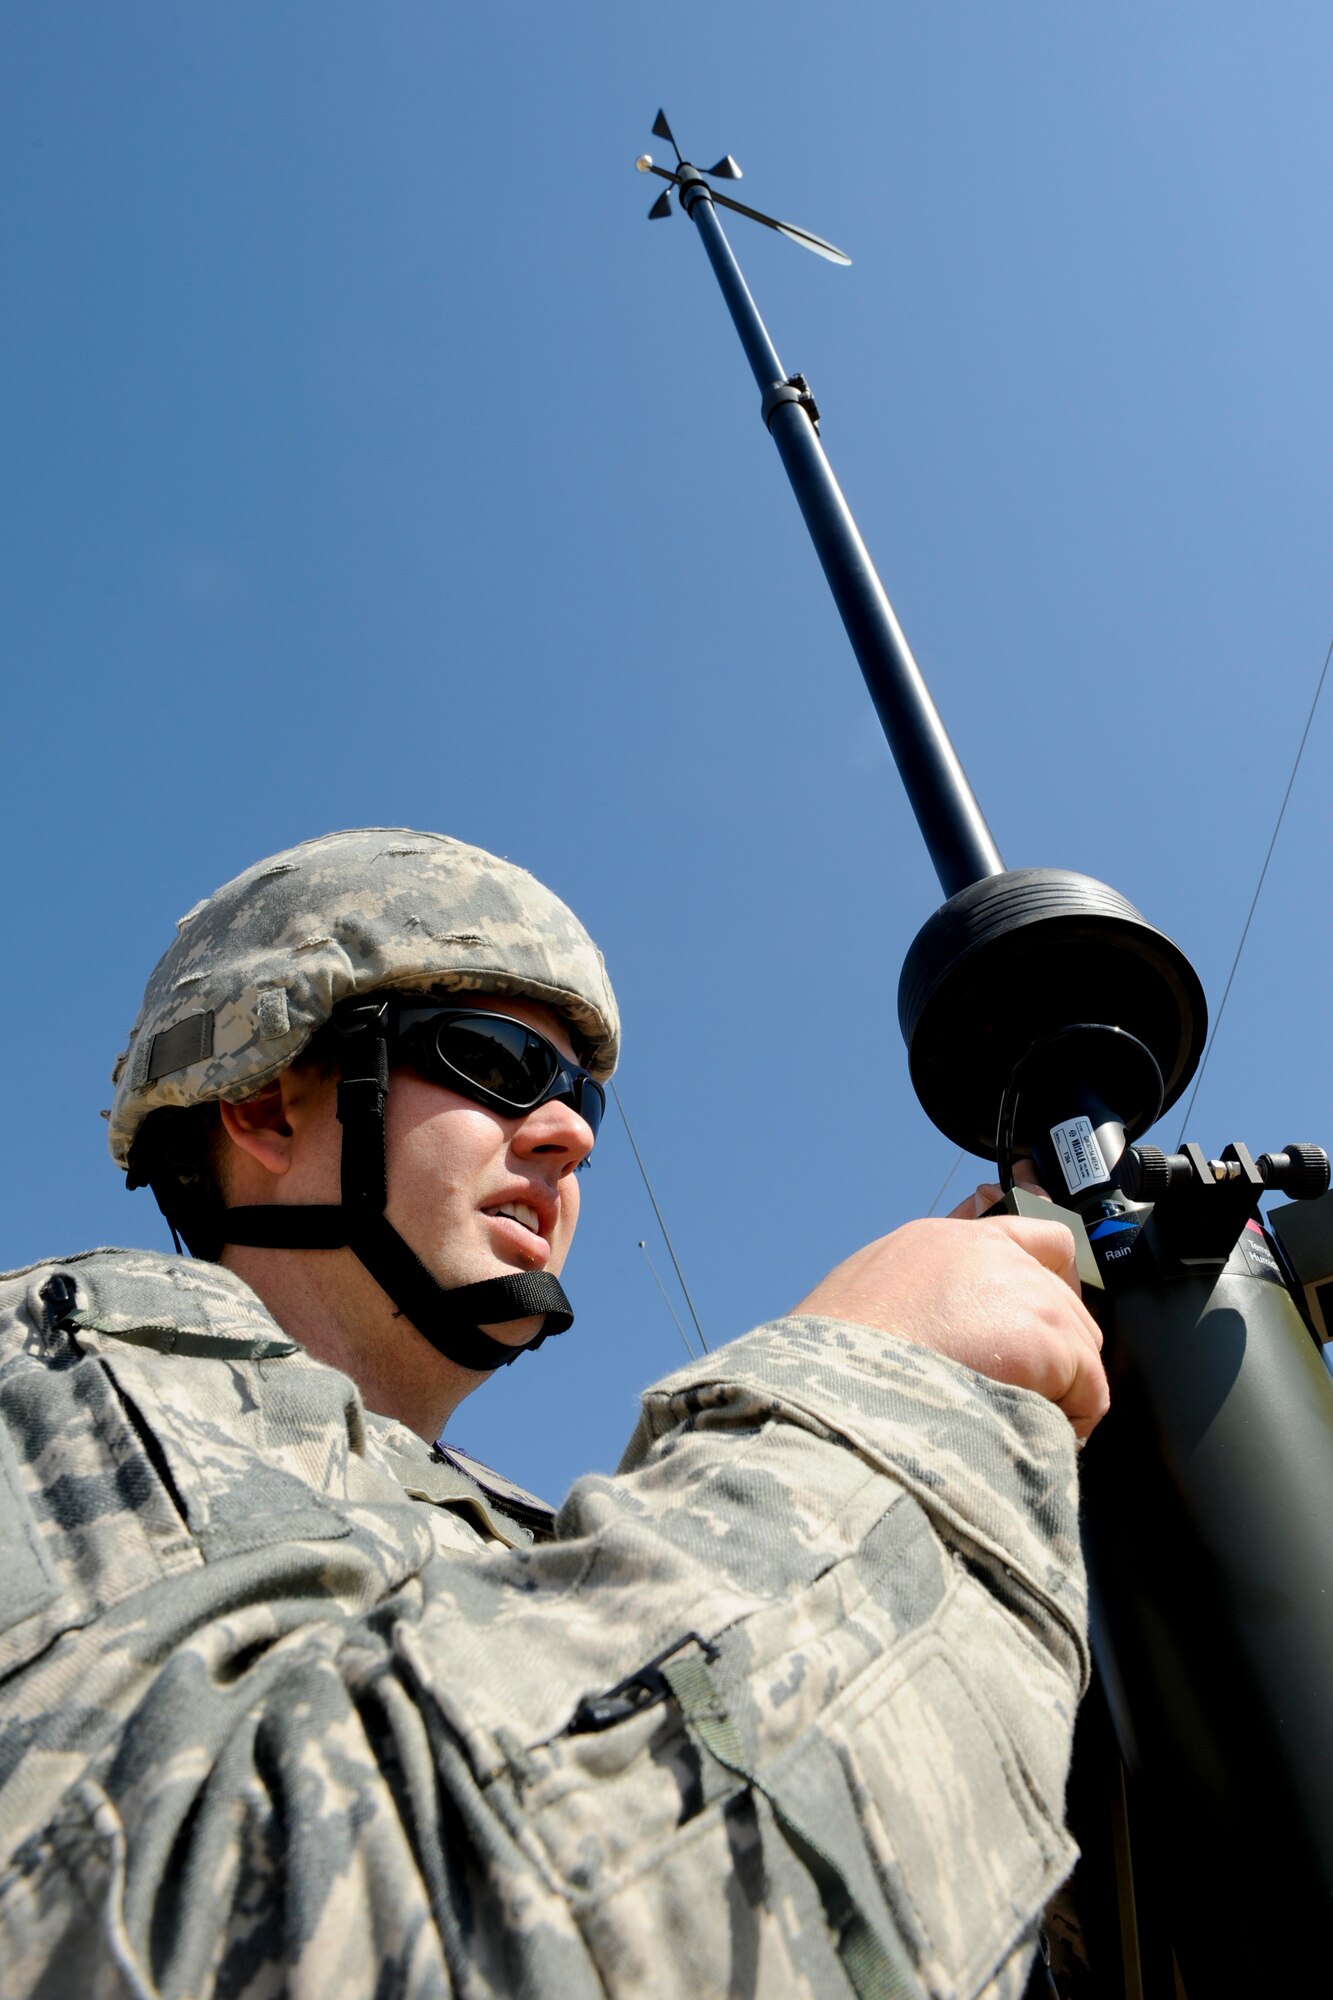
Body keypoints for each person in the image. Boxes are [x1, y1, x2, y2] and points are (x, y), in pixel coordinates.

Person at [0, 827, 1106, 1999]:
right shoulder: (58, 1357)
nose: (571, 1132)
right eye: (489, 1062)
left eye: (580, 1097)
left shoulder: (519, 1543)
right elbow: (206, 1924)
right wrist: (879, 1396)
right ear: (270, 1105)